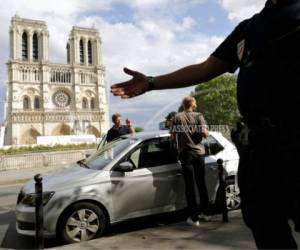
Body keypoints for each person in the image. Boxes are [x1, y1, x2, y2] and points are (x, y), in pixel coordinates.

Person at [111, 0, 300, 248]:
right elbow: (205, 69)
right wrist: (152, 83)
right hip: (260, 153)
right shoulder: (249, 27)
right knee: (265, 227)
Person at [171, 96, 210, 226]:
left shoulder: (177, 117)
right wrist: (201, 130)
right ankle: (206, 213)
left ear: (183, 105)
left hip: (186, 154)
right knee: (201, 184)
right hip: (199, 154)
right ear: (193, 104)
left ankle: (194, 219)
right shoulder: (199, 116)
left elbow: (173, 137)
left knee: (190, 186)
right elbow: (205, 134)